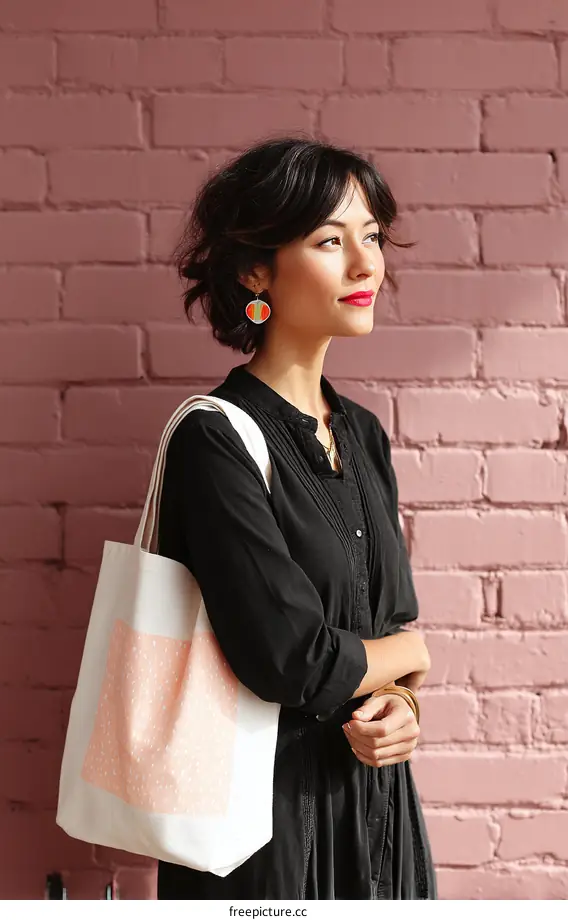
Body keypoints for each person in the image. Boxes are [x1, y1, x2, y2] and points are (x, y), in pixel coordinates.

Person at [156, 136, 437, 900]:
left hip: (379, 822)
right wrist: (409, 651)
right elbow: (291, 658)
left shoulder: (365, 436)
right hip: (263, 834)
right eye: (329, 241)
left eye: (372, 237)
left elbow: (393, 623)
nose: (366, 264)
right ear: (255, 269)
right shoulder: (214, 438)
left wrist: (402, 704)